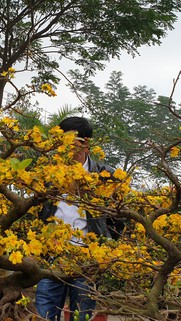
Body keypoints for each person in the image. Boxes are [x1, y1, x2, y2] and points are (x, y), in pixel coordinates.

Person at [35, 116, 121, 321]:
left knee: (81, 315)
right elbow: (40, 211)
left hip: (87, 258)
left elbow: (119, 219)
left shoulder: (105, 176)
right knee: (43, 313)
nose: (62, 149)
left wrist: (105, 247)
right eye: (59, 143)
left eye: (68, 142)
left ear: (85, 143)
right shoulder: (50, 174)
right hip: (52, 256)